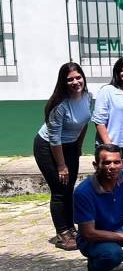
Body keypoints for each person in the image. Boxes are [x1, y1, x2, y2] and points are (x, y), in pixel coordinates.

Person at [34, 62, 91, 250]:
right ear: (63, 82)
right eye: (70, 79)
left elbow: (84, 124)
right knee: (59, 189)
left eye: (78, 77)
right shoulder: (59, 106)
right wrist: (61, 165)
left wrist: (78, 147)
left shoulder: (87, 97)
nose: (75, 82)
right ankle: (62, 232)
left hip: (70, 146)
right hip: (49, 148)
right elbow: (54, 139)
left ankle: (71, 228)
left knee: (69, 188)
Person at [92, 57, 123, 169]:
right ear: (117, 72)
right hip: (110, 147)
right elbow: (99, 121)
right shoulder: (107, 90)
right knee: (108, 182)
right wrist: (109, 145)